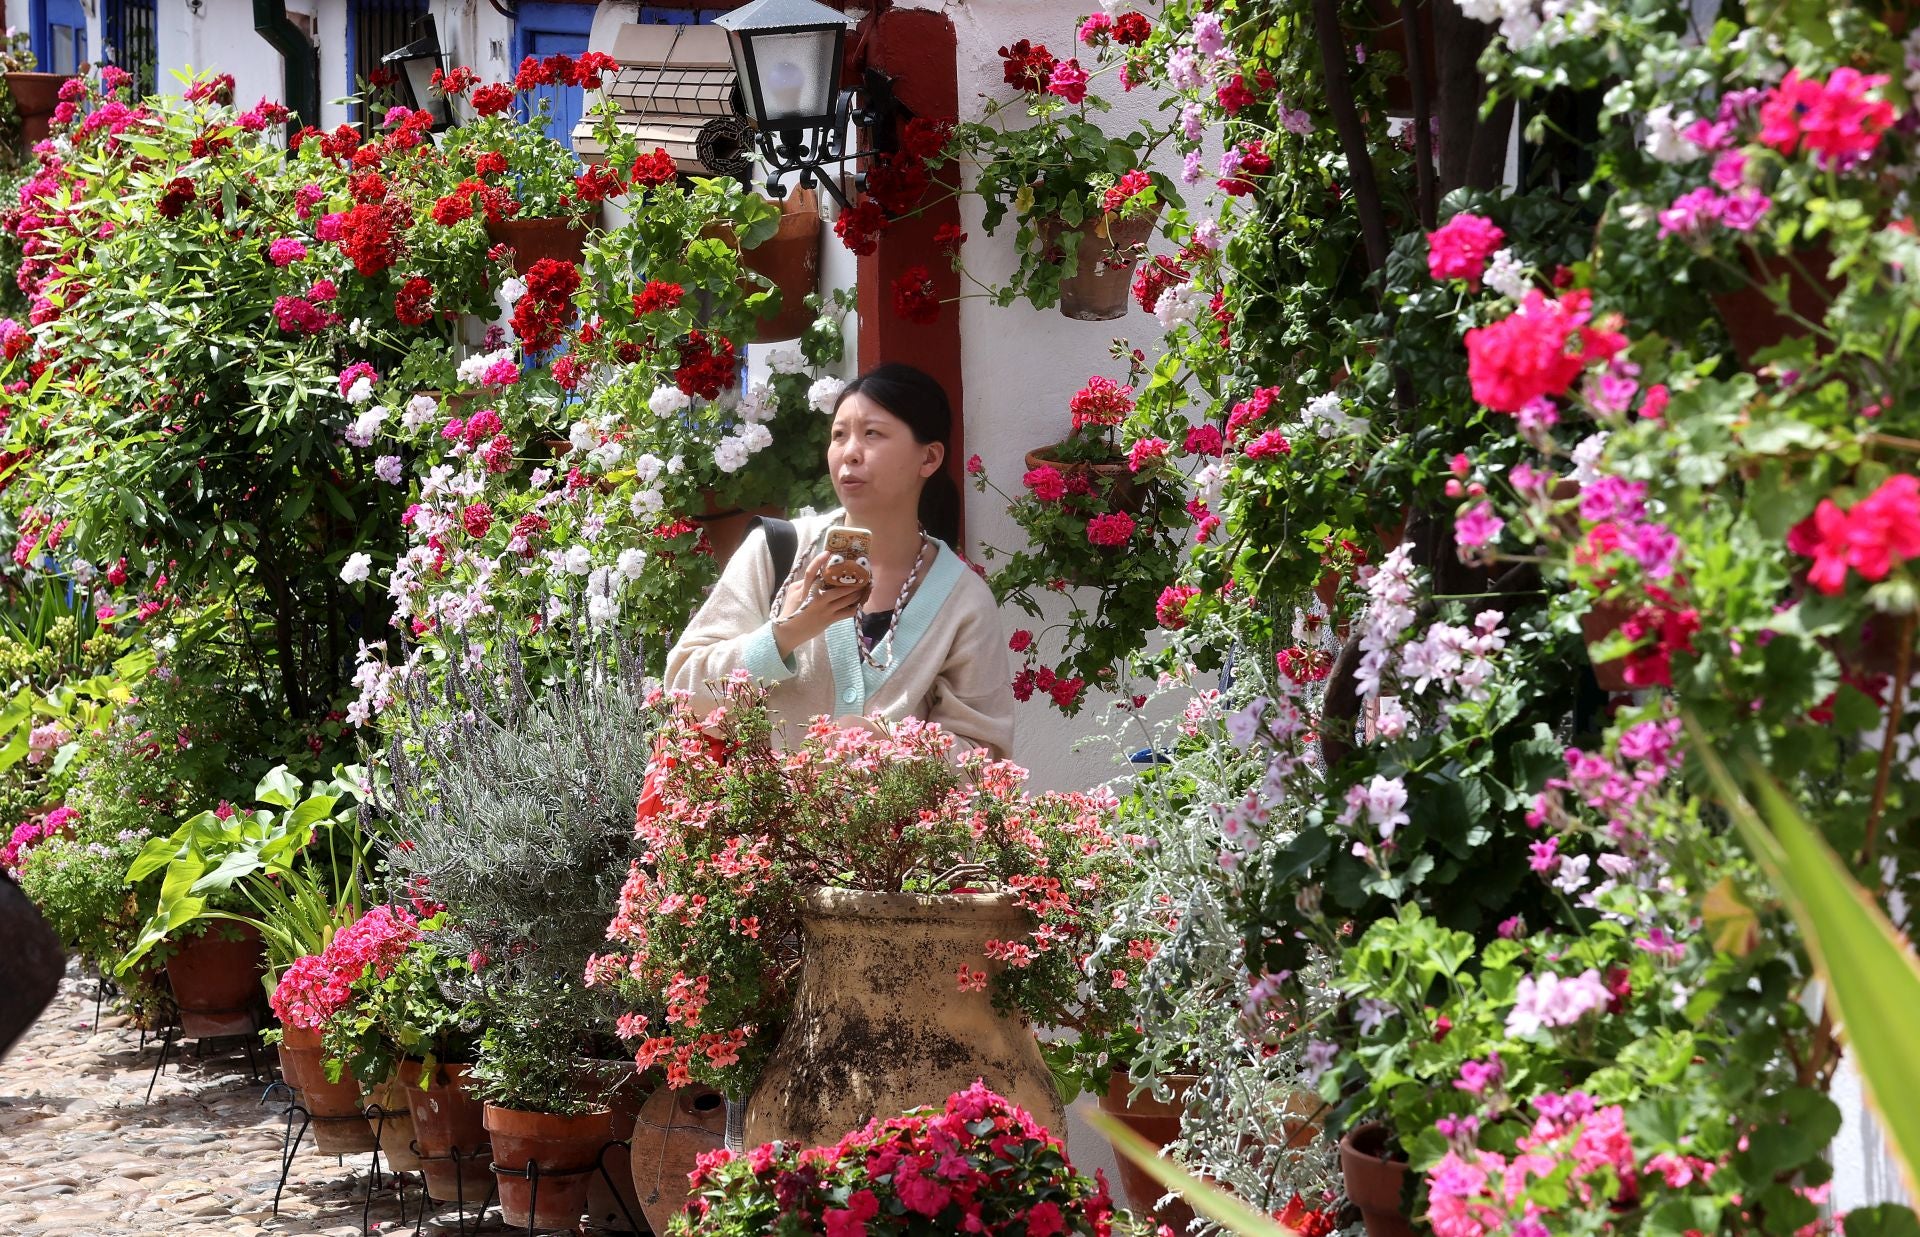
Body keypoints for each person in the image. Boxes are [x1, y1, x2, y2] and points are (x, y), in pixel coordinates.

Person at [666, 363, 1014, 758]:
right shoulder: (776, 551)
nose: (849, 452)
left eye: (872, 433)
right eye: (839, 435)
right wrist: (784, 634)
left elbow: (985, 756)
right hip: (758, 800)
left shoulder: (963, 600)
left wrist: (889, 747)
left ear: (929, 458)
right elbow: (681, 688)